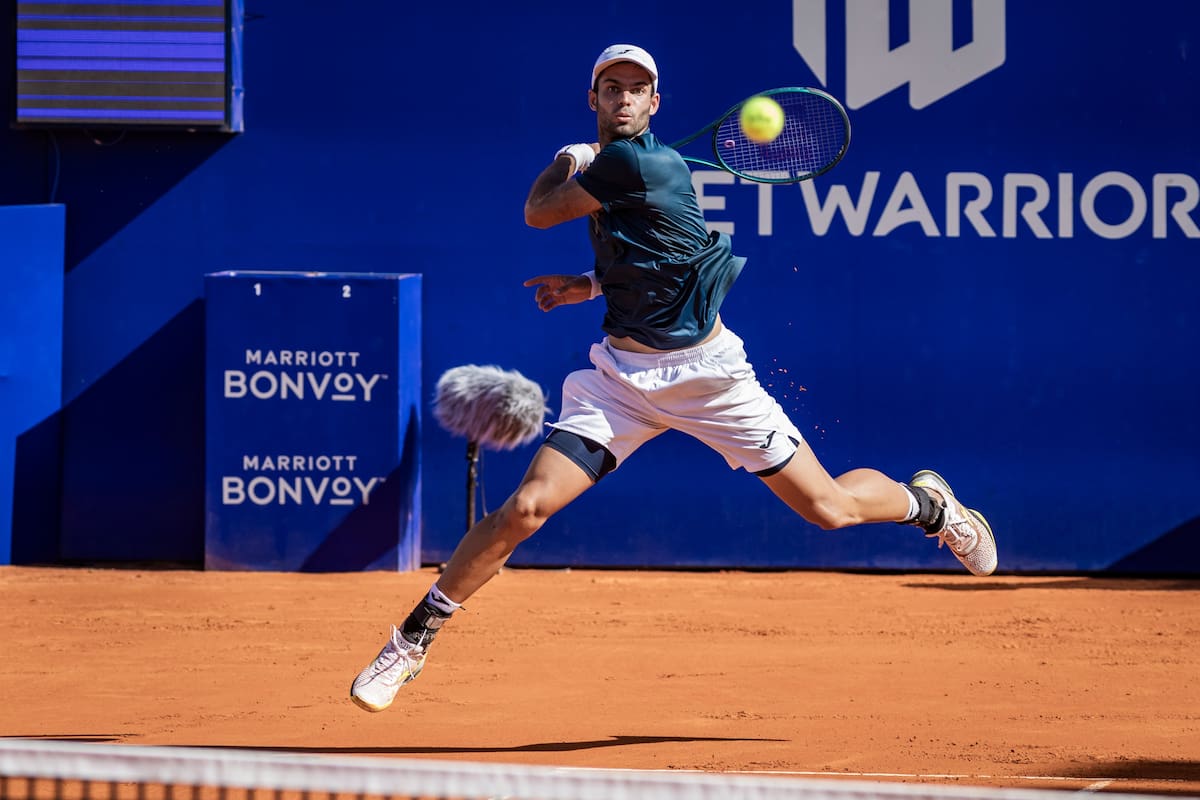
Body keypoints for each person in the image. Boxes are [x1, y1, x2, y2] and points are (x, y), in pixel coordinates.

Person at [350, 44, 996, 712]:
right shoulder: (635, 169)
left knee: (830, 509)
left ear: (655, 103)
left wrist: (569, 158)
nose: (624, 98)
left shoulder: (641, 161)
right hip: (621, 381)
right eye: (612, 88)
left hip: (710, 380)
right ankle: (411, 641)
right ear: (595, 98)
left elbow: (538, 212)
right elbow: (664, 261)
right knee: (525, 510)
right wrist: (588, 284)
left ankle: (932, 507)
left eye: (637, 89)